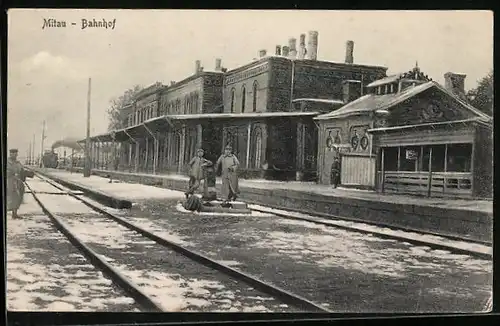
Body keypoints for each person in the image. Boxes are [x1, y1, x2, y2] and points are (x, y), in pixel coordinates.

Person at [7, 149, 26, 219]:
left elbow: (21, 170)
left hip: (18, 182)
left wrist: (26, 173)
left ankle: (14, 213)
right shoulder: (7, 162)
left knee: (18, 198)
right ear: (10, 154)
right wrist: (12, 173)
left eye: (16, 154)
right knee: (10, 198)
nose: (15, 155)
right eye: (13, 153)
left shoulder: (18, 163)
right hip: (9, 181)